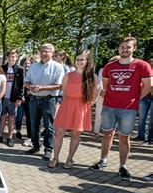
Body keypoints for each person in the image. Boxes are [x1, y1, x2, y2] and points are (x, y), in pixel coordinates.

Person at [90, 36, 152, 180]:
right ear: (119, 48)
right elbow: (106, 86)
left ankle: (123, 166)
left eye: (128, 47)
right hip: (109, 106)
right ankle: (103, 160)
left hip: (128, 109)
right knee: (107, 134)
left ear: (134, 48)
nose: (125, 49)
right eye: (122, 47)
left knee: (124, 138)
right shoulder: (109, 67)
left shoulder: (142, 65)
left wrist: (135, 98)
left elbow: (148, 86)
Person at [49, 50, 98, 168]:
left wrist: (84, 107)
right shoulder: (68, 75)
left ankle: (70, 159)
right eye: (77, 59)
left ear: (87, 61)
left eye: (82, 59)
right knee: (59, 133)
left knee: (76, 135)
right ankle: (55, 158)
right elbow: (65, 93)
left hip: (81, 107)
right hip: (67, 105)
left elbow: (94, 96)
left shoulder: (92, 77)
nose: (79, 62)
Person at [24, 44, 65, 161]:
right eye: (41, 51)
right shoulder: (33, 67)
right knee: (34, 124)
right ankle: (35, 146)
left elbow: (59, 85)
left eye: (46, 51)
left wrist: (42, 88)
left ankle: (48, 149)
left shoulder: (58, 67)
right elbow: (26, 82)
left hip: (49, 99)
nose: (43, 54)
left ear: (52, 53)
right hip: (33, 99)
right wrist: (30, 86)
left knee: (49, 126)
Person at [0, 50, 24, 147]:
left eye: (13, 57)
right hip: (2, 97)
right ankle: (0, 136)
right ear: (7, 57)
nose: (11, 58)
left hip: (13, 98)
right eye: (9, 56)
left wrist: (19, 98)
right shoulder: (2, 68)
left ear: (16, 57)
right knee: (2, 118)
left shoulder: (20, 69)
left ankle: (10, 137)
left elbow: (21, 85)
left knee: (11, 118)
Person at [93, 55, 120, 140]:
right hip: (103, 94)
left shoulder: (121, 71)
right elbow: (100, 81)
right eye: (113, 60)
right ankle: (96, 132)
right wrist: (104, 90)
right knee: (99, 113)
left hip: (116, 96)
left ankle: (111, 133)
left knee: (114, 115)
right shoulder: (103, 70)